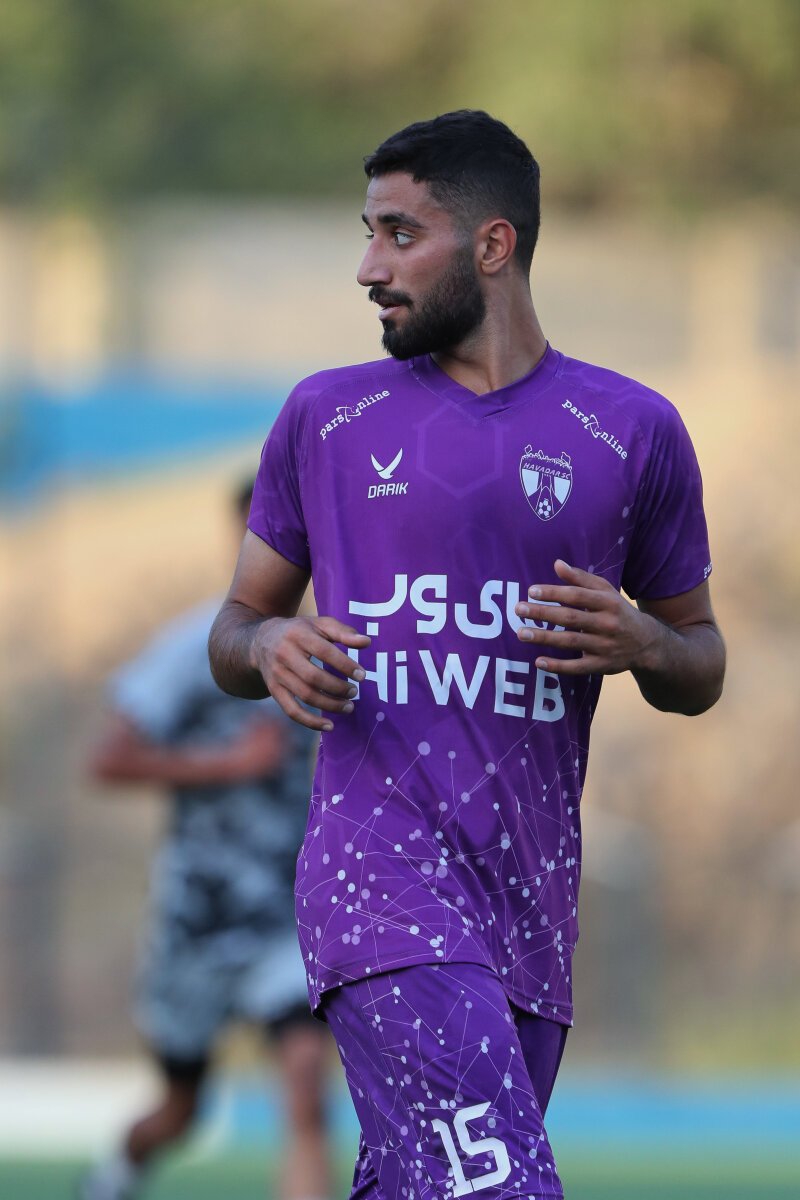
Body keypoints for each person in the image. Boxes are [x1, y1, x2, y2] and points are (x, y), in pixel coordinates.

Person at [208, 111, 726, 1200]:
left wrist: (640, 639)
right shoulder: (326, 417)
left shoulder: (632, 431)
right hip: (377, 887)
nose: (368, 267)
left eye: (399, 235)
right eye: (367, 234)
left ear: (493, 245)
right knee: (502, 1189)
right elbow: (233, 631)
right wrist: (270, 642)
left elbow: (701, 662)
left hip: (529, 906)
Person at [79, 480, 332, 1200]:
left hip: (283, 912)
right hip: (198, 914)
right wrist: (226, 765)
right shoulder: (193, 648)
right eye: (268, 534)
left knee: (305, 1086)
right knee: (181, 1111)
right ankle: (115, 1175)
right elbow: (108, 760)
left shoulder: (330, 646)